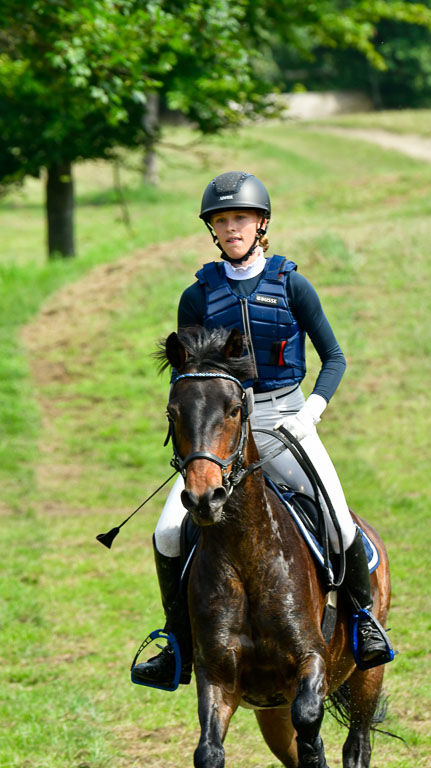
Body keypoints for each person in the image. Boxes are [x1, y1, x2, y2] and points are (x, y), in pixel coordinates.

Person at [132, 171, 391, 688]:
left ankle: (364, 625)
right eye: (222, 221)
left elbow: (335, 357)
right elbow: (191, 375)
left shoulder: (292, 283)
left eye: (240, 219)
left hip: (286, 418)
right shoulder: (197, 296)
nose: (231, 228)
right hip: (224, 429)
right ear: (213, 230)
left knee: (339, 523)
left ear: (261, 224)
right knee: (165, 532)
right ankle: (177, 642)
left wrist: (311, 410)